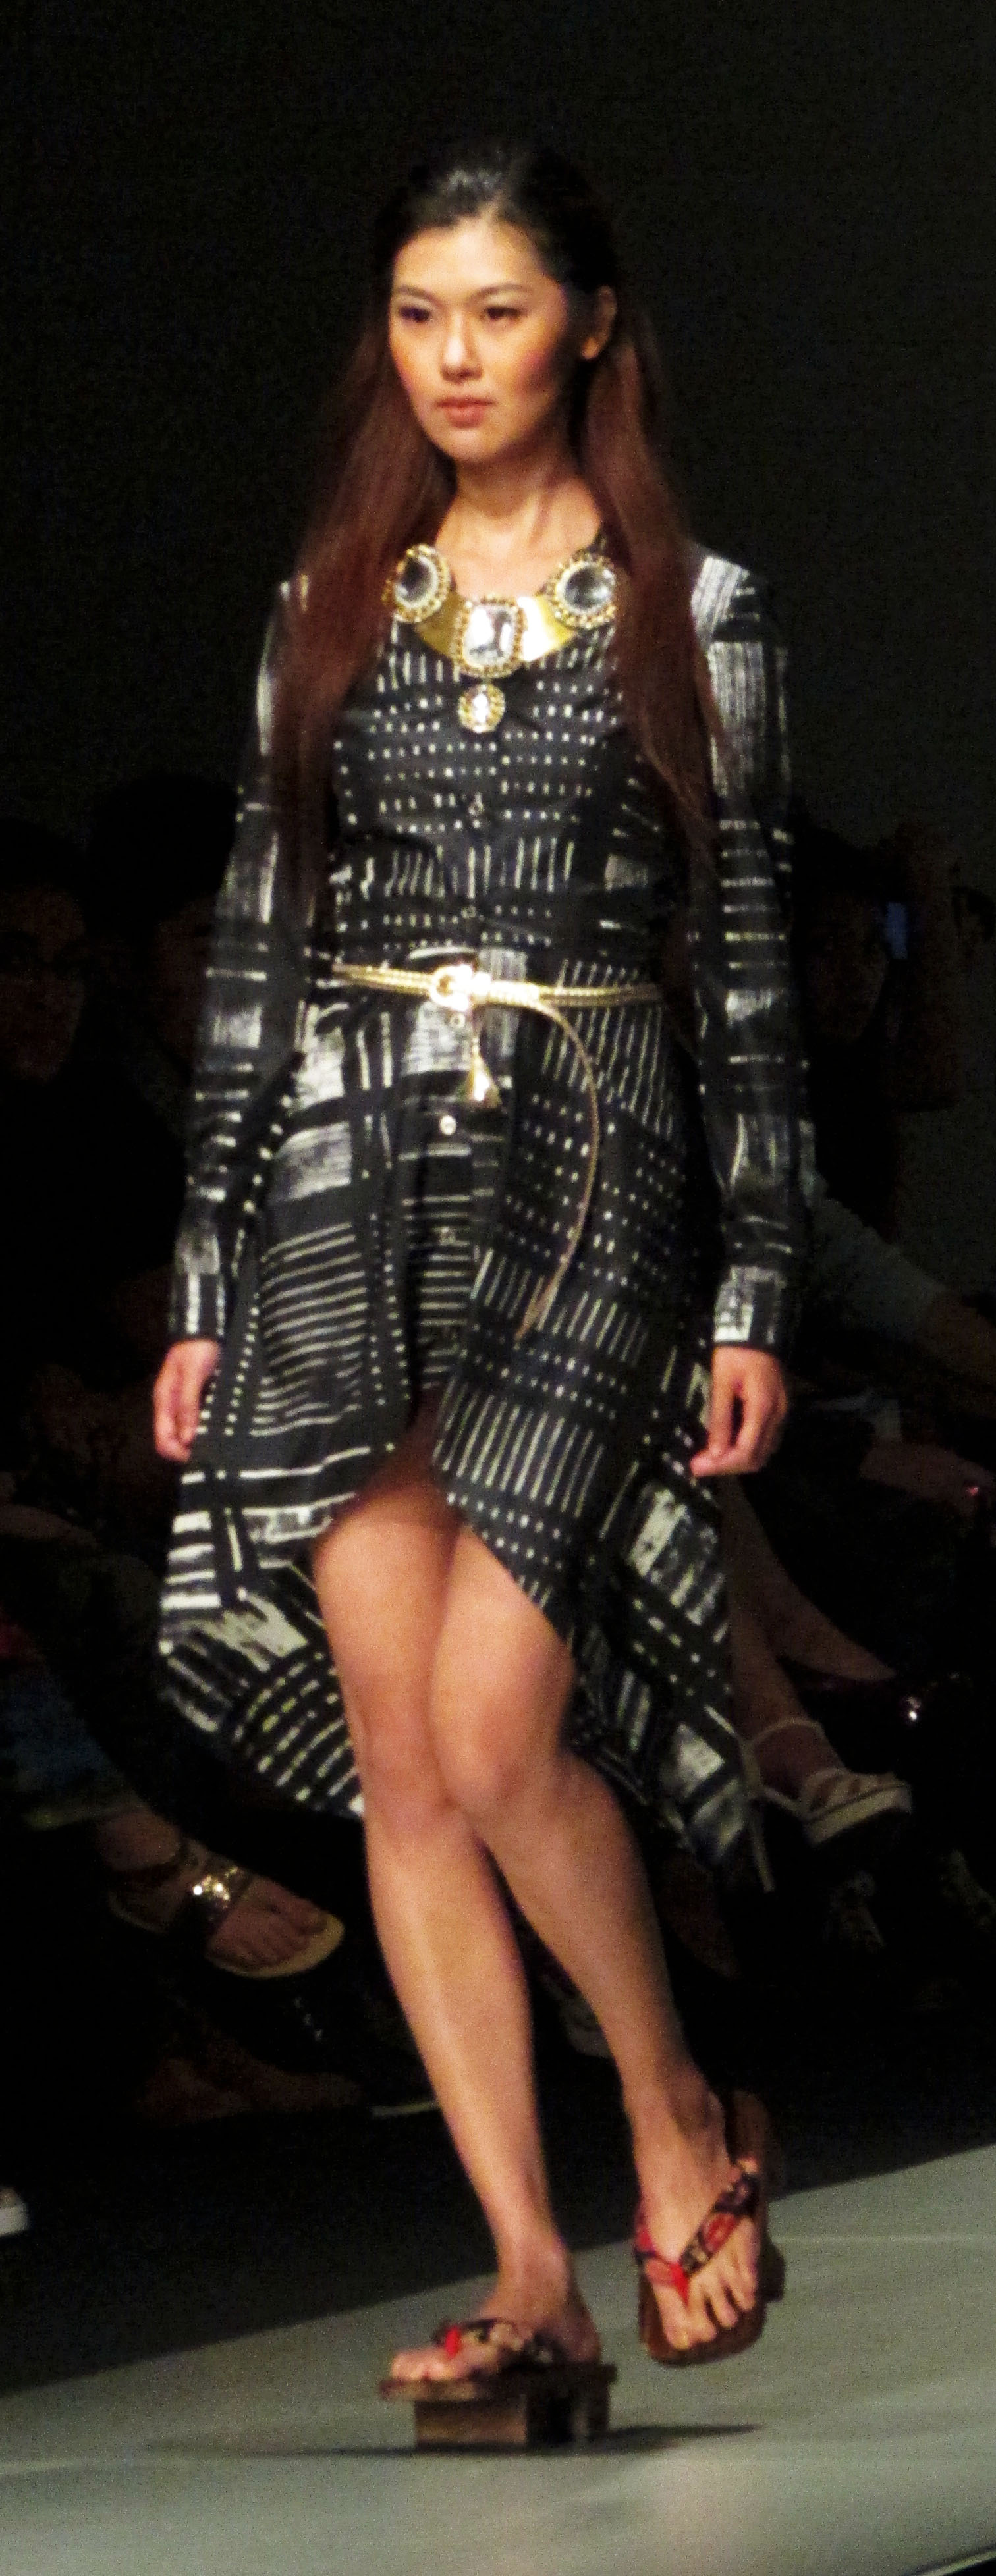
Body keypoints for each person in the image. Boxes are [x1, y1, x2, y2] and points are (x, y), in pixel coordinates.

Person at [153, 144, 808, 2380]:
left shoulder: (698, 610)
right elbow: (258, 956)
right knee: (401, 1758)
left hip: (590, 1164)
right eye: (420, 314)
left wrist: (756, 1284)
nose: (454, 357)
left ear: (591, 325)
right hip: (347, 1180)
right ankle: (532, 2276)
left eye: (500, 312)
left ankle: (674, 2106)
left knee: (498, 1720)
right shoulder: (330, 601)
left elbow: (746, 971)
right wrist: (206, 1277)